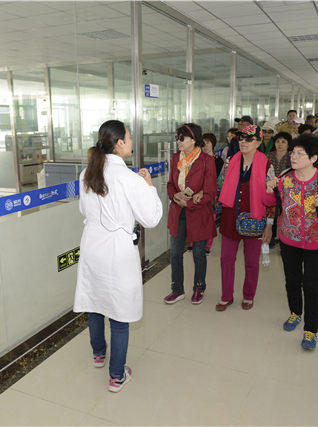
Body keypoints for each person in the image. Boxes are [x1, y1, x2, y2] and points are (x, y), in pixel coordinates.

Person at [74, 120, 163, 393]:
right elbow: (151, 218)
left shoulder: (87, 173)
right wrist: (149, 187)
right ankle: (116, 376)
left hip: (92, 247)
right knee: (119, 314)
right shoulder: (129, 178)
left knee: (96, 304)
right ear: (120, 143)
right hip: (117, 252)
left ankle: (98, 354)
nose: (131, 141)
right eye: (129, 137)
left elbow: (83, 210)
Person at [263, 134, 318, 350]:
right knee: (292, 281)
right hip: (289, 239)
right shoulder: (284, 178)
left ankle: (311, 329)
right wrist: (269, 189)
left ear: (313, 158)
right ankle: (295, 312)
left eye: (300, 154)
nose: (294, 157)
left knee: (312, 286)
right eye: (293, 152)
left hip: (317, 241)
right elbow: (269, 202)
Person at [217, 124, 274, 311]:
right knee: (226, 259)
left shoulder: (267, 165)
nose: (243, 142)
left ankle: (249, 295)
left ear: (258, 142)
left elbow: (272, 199)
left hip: (255, 219)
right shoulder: (230, 161)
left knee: (251, 262)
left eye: (249, 139)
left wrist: (269, 225)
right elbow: (220, 185)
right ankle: (226, 296)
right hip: (230, 216)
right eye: (241, 138)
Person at [165, 123, 218, 305]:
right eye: (177, 138)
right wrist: (174, 195)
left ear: (193, 140)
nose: (178, 141)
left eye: (182, 138)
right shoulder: (175, 158)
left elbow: (210, 191)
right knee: (175, 253)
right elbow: (170, 185)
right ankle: (177, 290)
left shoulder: (206, 160)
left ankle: (199, 287)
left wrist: (190, 202)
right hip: (177, 211)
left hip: (198, 213)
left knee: (198, 253)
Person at [266, 131, 293, 247]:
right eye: (277, 142)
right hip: (271, 189)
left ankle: (284, 239)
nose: (280, 144)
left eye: (283, 142)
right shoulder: (269, 156)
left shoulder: (292, 156)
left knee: (285, 215)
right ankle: (271, 237)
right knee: (272, 214)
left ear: (288, 144)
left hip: (287, 190)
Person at [201, 133, 224, 254]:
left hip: (212, 194)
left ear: (213, 144)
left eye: (208, 143)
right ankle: (195, 242)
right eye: (203, 143)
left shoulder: (218, 161)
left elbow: (220, 180)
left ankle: (207, 245)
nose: (205, 146)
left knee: (210, 220)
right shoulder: (197, 160)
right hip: (198, 194)